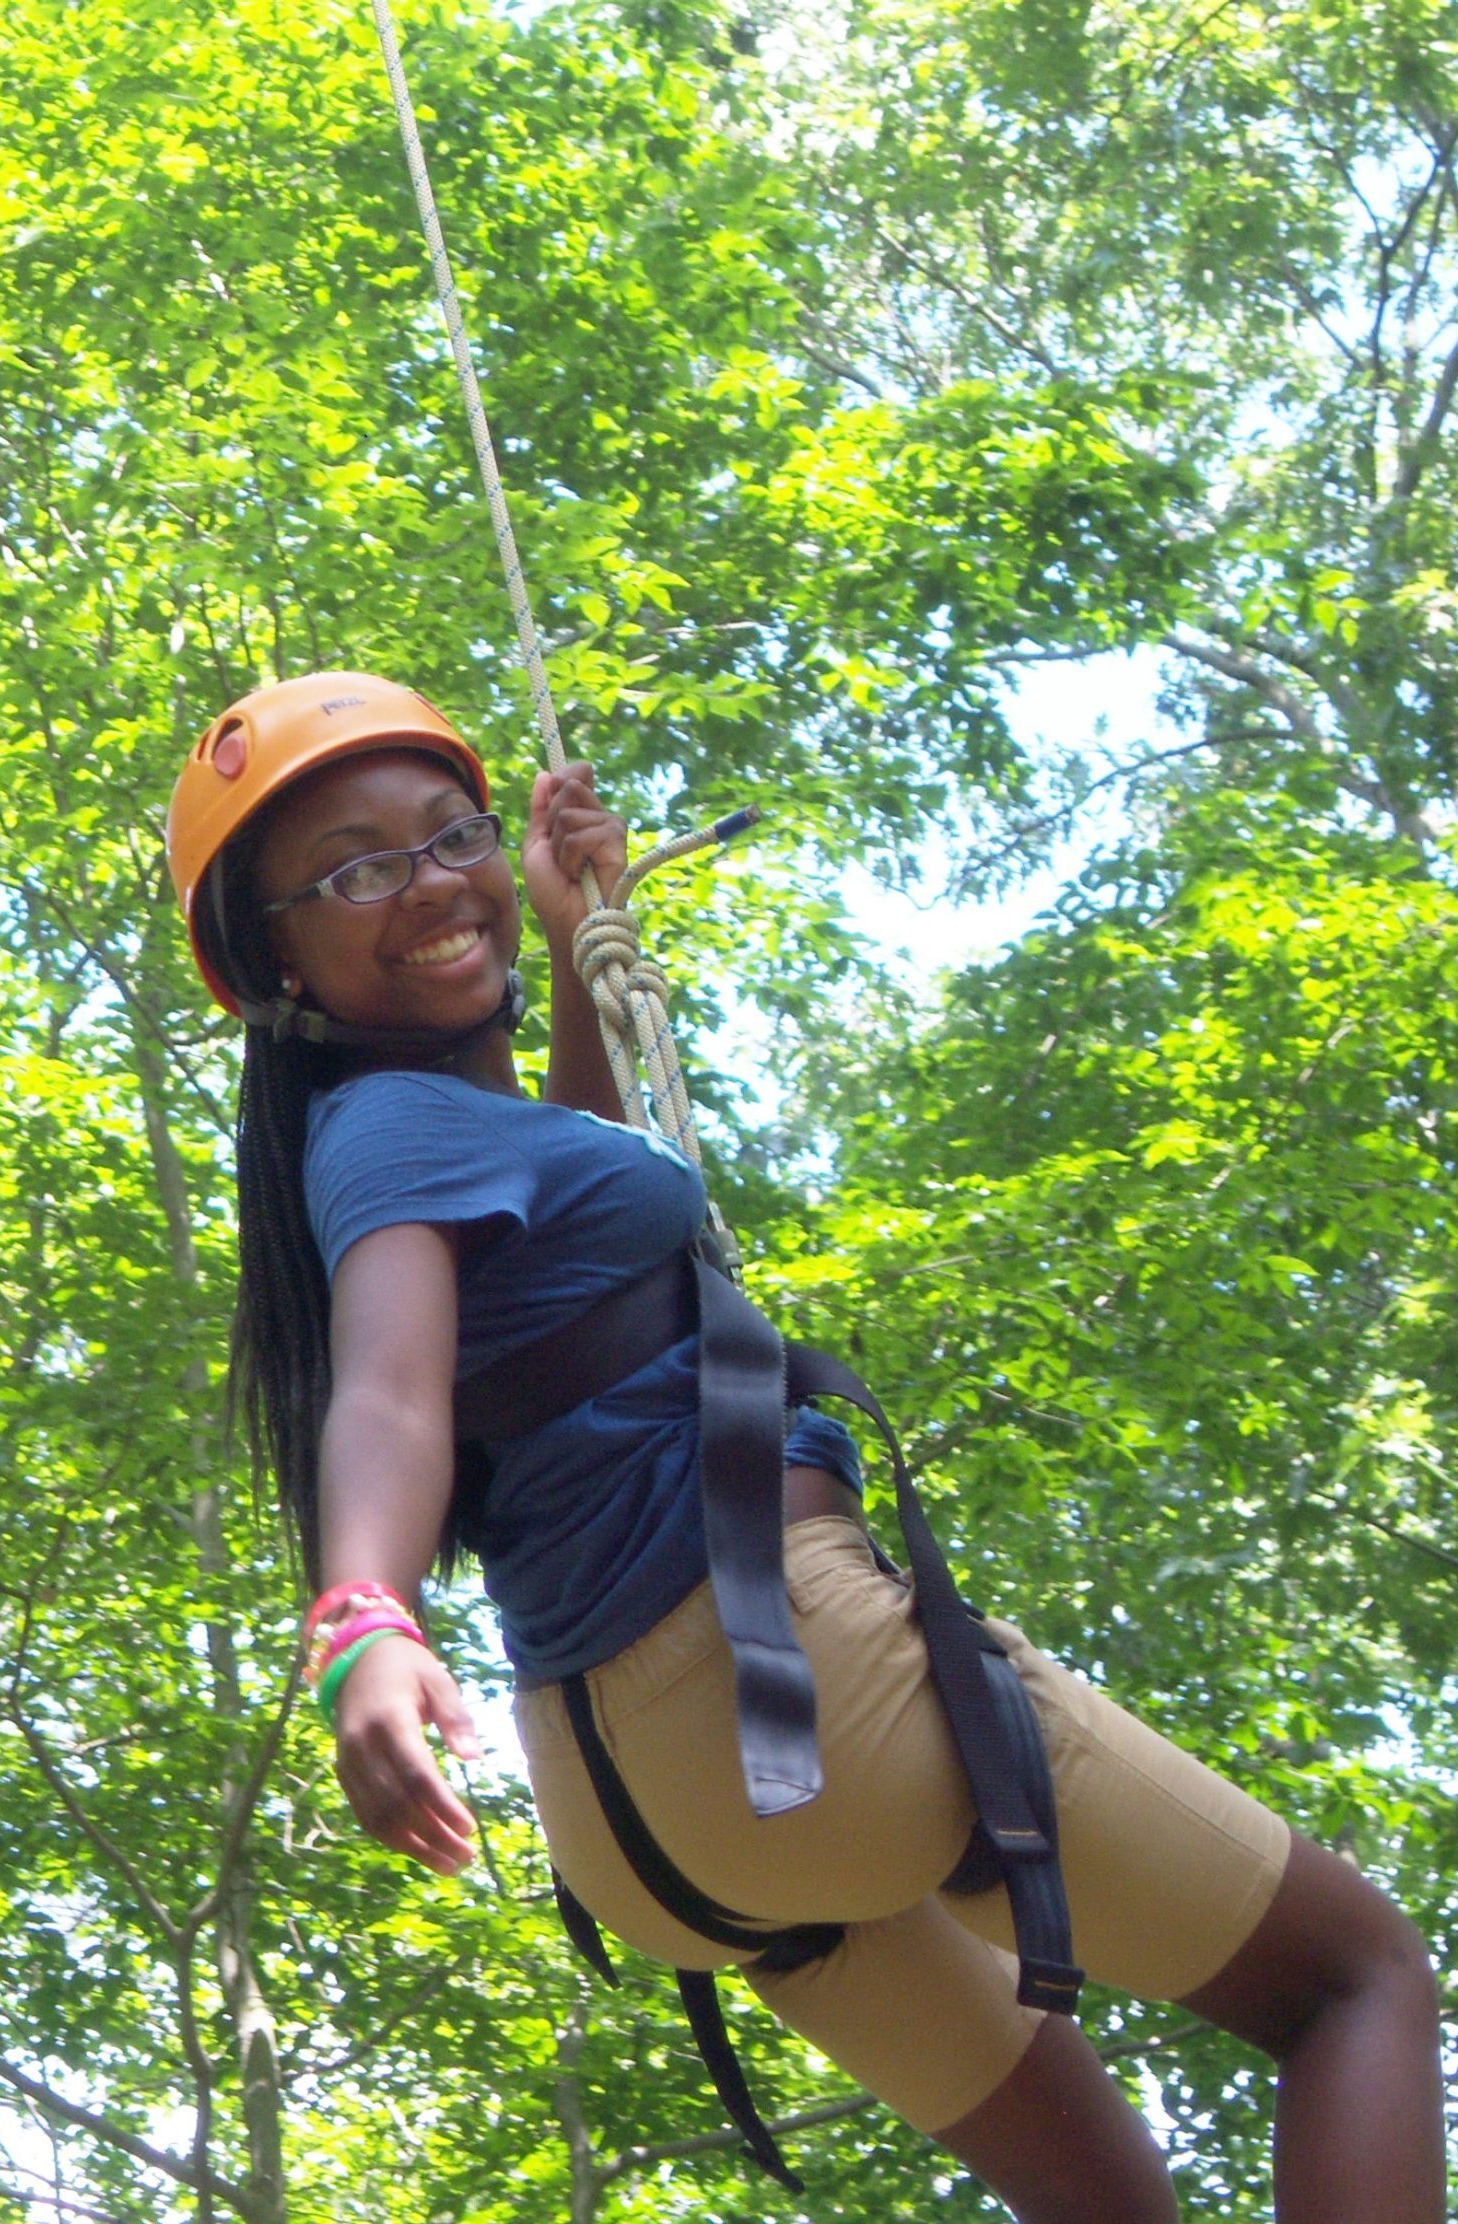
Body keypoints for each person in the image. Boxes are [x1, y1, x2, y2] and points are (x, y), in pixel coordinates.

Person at [167, 670, 1444, 2224]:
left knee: (1111, 2206)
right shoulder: (386, 1142)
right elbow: (386, 1393)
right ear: (274, 956)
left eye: (452, 836)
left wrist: (578, 949)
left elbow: (587, 1243)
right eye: (359, 869)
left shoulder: (436, 1134)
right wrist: (364, 1614)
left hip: (653, 1823)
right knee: (1356, 1983)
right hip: (794, 1685)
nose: (432, 884)